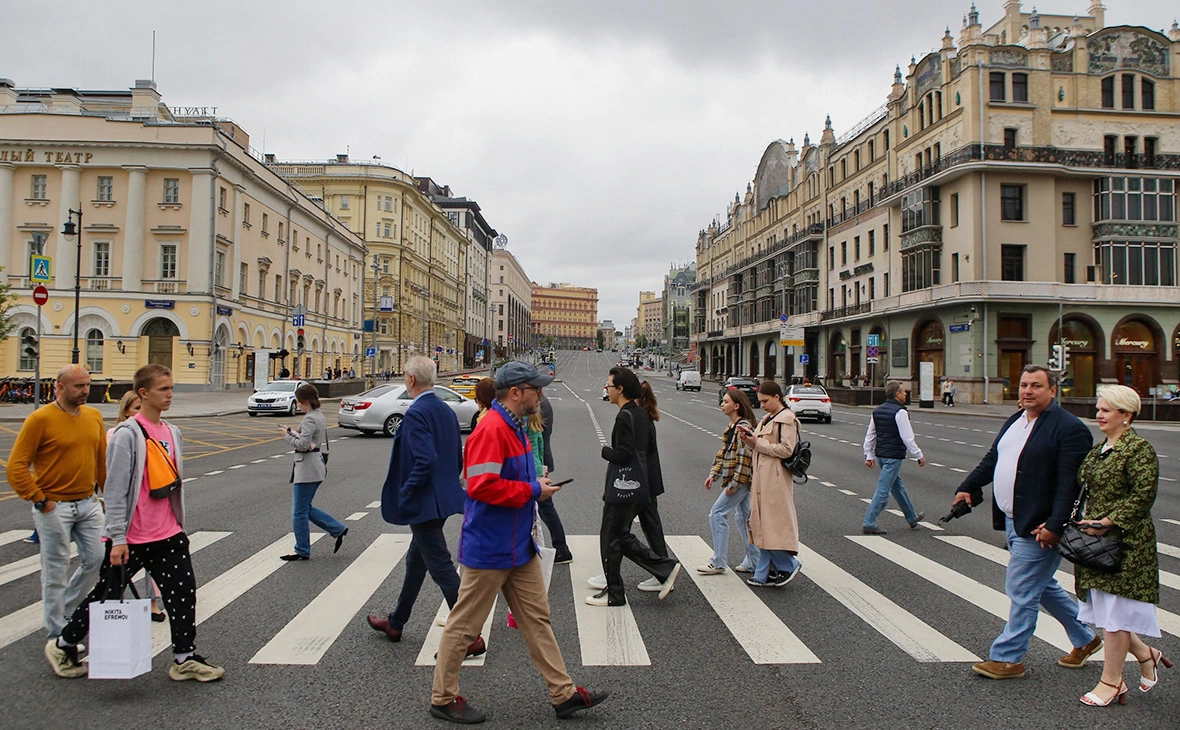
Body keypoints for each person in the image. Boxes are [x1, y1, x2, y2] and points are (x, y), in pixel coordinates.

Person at [430, 361, 606, 723]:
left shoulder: (516, 427)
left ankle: (564, 694)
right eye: (535, 388)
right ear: (514, 393)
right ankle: (442, 698)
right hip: (491, 545)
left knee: (537, 619)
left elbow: (513, 482)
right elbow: (480, 486)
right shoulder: (492, 429)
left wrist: (537, 490)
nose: (540, 394)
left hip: (518, 543)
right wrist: (532, 490)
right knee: (464, 625)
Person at [46, 364, 225, 681]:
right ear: (143, 394)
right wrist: (117, 539)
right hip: (131, 538)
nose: (170, 395)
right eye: (163, 389)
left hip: (168, 532)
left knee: (183, 594)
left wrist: (179, 526)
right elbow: (113, 491)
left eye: (171, 388)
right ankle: (63, 644)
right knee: (105, 596)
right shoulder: (127, 435)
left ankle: (184, 658)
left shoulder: (173, 432)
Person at [952, 364, 1098, 680]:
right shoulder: (1016, 420)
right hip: (1013, 519)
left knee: (1021, 587)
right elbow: (993, 459)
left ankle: (1008, 658)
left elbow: (1069, 486)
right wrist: (967, 486)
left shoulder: (1068, 428)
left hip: (1040, 525)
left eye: (1036, 385)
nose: (1028, 391)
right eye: (1023, 385)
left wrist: (1055, 526)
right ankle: (1086, 638)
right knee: (1040, 585)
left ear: (1052, 390)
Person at [367, 357, 484, 658]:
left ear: (409, 380)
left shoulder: (417, 412)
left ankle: (469, 635)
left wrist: (406, 491)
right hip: (443, 497)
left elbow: (425, 459)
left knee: (440, 564)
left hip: (424, 500)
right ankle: (396, 622)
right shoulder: (444, 409)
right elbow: (456, 453)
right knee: (416, 561)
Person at [1073, 385, 1171, 706]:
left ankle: (1111, 682)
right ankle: (1146, 654)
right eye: (1099, 408)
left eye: (1106, 410)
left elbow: (1142, 495)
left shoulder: (1138, 450)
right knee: (1106, 611)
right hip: (1095, 543)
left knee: (1115, 615)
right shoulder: (1101, 448)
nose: (1099, 414)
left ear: (1126, 415)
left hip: (1125, 544)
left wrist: (1108, 521)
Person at [6, 364, 106, 642]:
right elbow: (16, 467)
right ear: (59, 387)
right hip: (55, 506)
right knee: (56, 569)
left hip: (88, 503)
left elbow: (101, 463)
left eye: (87, 384)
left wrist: (108, 497)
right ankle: (57, 634)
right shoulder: (40, 419)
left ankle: (68, 610)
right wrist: (40, 500)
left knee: (97, 559)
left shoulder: (94, 416)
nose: (86, 390)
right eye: (79, 386)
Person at [587, 366, 682, 607]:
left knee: (612, 535)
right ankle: (623, 585)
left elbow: (625, 453)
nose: (606, 390)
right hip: (641, 484)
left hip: (624, 485)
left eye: (609, 386)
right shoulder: (641, 414)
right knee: (618, 536)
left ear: (620, 389)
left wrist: (606, 451)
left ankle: (659, 569)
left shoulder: (625, 416)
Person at [107, 392, 165, 622]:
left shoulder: (158, 432)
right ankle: (74, 629)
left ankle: (151, 603)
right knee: (114, 571)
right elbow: (115, 480)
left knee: (156, 565)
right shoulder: (118, 435)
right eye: (135, 408)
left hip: (151, 513)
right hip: (126, 514)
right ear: (126, 411)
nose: (140, 412)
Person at [740, 381, 804, 588]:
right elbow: (759, 443)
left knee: (769, 524)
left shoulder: (786, 419)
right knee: (759, 522)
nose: (763, 405)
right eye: (761, 402)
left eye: (766, 401)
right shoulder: (769, 418)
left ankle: (787, 564)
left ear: (777, 397)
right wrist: (749, 438)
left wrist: (756, 443)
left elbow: (787, 449)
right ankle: (764, 573)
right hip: (763, 474)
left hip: (775, 477)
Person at [279, 384, 347, 561]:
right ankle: (337, 529)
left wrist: (286, 436)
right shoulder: (317, 415)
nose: (298, 405)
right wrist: (293, 432)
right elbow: (308, 441)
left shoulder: (310, 418)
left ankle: (302, 549)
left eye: (299, 402)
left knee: (299, 512)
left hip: (308, 468)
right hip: (314, 466)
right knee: (305, 509)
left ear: (306, 402)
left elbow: (303, 445)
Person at [699, 389, 759, 575]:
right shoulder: (732, 427)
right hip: (742, 480)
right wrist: (713, 474)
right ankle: (755, 561)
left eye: (725, 402)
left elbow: (745, 458)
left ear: (736, 406)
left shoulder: (743, 427)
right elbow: (724, 453)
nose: (722, 405)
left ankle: (718, 562)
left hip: (740, 481)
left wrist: (734, 484)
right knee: (744, 518)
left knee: (717, 514)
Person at [861, 380, 926, 535]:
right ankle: (869, 522)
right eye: (903, 391)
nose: (905, 394)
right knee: (884, 490)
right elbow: (907, 437)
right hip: (893, 456)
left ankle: (911, 517)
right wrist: (919, 455)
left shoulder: (877, 411)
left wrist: (869, 454)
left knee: (897, 486)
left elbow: (870, 435)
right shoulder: (900, 412)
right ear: (897, 394)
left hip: (882, 455)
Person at [536, 394, 572, 564]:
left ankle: (562, 549)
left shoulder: (538, 404)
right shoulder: (543, 402)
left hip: (538, 463)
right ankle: (561, 548)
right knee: (545, 509)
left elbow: (537, 438)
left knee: (546, 508)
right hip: (541, 461)